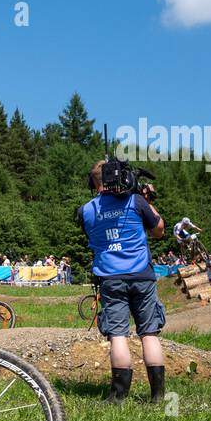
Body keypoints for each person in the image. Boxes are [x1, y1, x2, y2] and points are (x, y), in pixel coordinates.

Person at [78, 159, 167, 404]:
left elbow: (93, 235)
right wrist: (148, 202)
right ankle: (158, 397)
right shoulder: (136, 202)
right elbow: (159, 230)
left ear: (94, 183)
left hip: (110, 277)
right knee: (149, 334)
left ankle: (118, 396)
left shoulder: (86, 210)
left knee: (118, 335)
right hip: (142, 275)